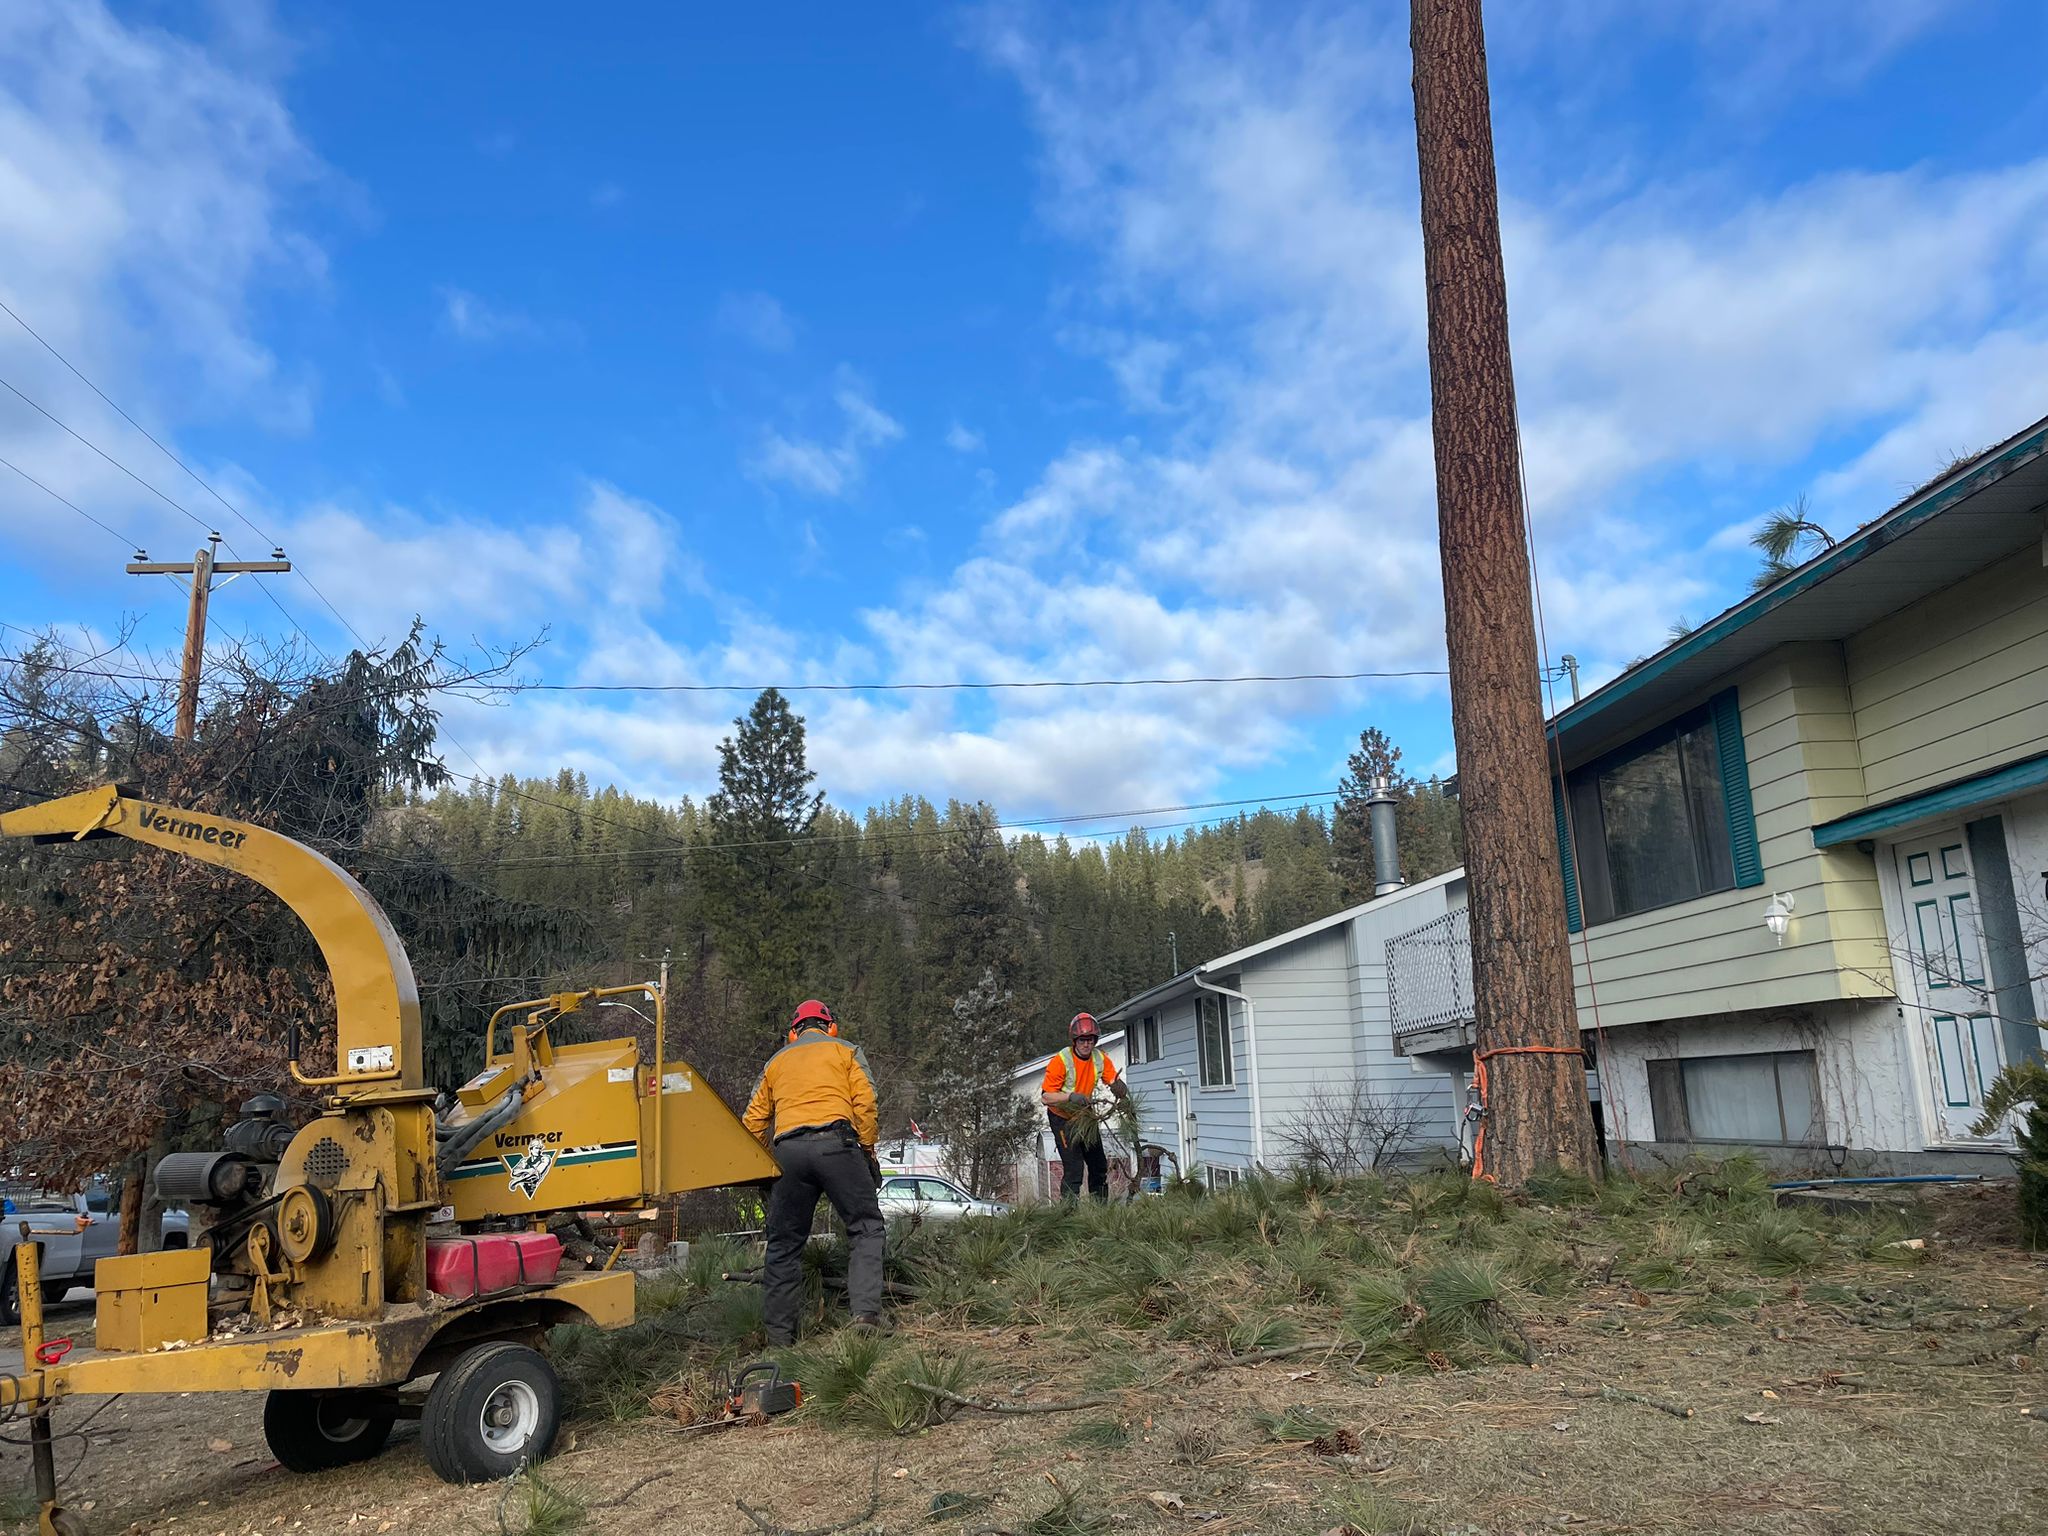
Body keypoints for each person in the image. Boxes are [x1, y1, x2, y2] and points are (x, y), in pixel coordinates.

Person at [742, 998, 887, 1345]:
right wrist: (867, 1152)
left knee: (783, 1244)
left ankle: (780, 1338)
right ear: (831, 1027)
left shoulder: (775, 1062)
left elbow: (752, 1122)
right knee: (866, 1228)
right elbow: (865, 1104)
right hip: (837, 1143)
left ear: (793, 1032)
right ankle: (865, 1316)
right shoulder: (846, 1051)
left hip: (788, 1151)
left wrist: (765, 1168)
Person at [1040, 1012, 1129, 1201]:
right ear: (1075, 1040)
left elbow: (1112, 1078)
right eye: (1082, 1040)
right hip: (1062, 1117)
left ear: (1095, 1040)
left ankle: (1100, 1210)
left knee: (1098, 1165)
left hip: (1085, 1115)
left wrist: (1120, 1089)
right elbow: (1046, 1097)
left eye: (1090, 1040)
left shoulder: (1100, 1058)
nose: (1087, 1044)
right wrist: (1070, 1097)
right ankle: (1069, 1214)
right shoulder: (1061, 1061)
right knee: (1074, 1169)